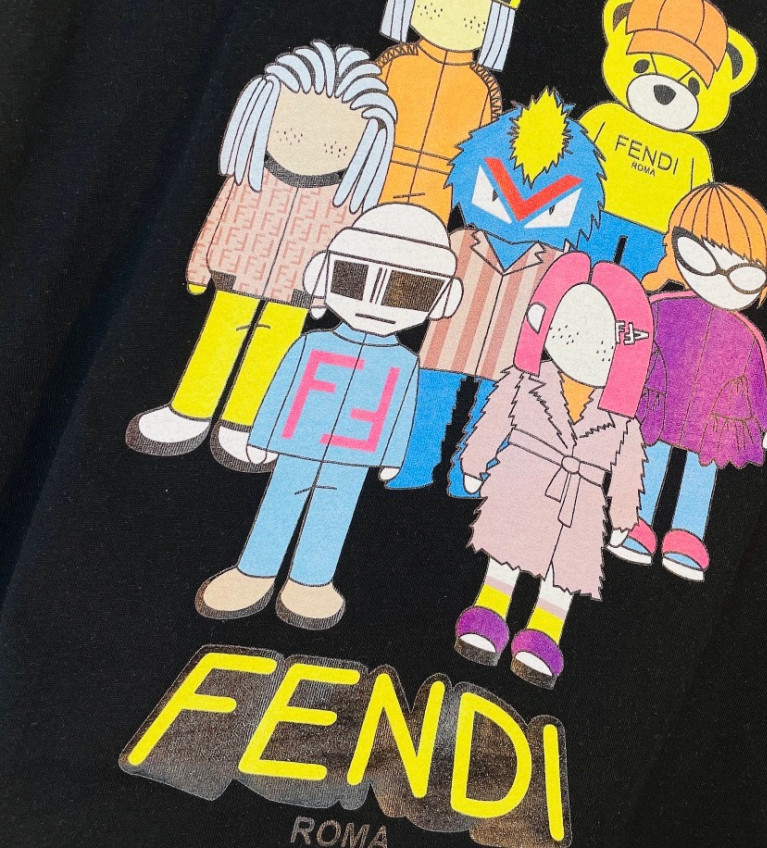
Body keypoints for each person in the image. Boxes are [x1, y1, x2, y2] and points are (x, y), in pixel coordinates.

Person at [126, 42, 395, 471]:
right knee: (217, 341)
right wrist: (198, 267)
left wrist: (326, 295)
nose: (313, 143)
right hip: (236, 275)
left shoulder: (342, 203)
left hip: (296, 292)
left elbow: (343, 252)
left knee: (272, 354)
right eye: (295, 129)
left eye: (335, 142)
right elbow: (218, 218)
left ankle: (243, 423)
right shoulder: (250, 177)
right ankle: (189, 413)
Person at [195, 204, 463, 629]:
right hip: (297, 444)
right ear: (325, 275)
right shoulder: (312, 344)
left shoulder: (404, 362)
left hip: (354, 456)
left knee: (331, 516)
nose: (376, 302)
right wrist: (261, 437)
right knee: (280, 503)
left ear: (441, 300)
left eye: (407, 291)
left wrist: (393, 457)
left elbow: (401, 412)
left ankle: (310, 582)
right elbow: (281, 391)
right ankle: (254, 573)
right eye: (354, 279)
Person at [386, 89, 605, 496]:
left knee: (496, 417)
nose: (520, 207)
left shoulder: (556, 264)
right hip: (447, 347)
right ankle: (414, 466)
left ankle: (470, 476)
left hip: (510, 358)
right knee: (429, 408)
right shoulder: (458, 242)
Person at [454, 252, 651, 689]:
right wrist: (474, 462)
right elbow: (495, 419)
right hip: (522, 476)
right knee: (506, 552)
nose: (582, 343)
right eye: (571, 326)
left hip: (580, 499)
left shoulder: (622, 420)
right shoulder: (525, 379)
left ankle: (543, 635)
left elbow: (626, 470)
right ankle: (489, 614)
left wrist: (623, 518)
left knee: (563, 574)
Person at [607, 182, 767, 581]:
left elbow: (759, 382)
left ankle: (686, 535)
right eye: (703, 257)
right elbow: (633, 348)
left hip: (713, 423)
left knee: (700, 474)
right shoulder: (660, 307)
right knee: (649, 461)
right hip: (659, 407)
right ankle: (637, 524)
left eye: (743, 271)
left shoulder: (747, 336)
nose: (720, 275)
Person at [375, 0, 523, 223]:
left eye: (475, 5)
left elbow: (481, 158)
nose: (452, 11)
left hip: (437, 205)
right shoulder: (395, 64)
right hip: (376, 189)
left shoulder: (482, 88)